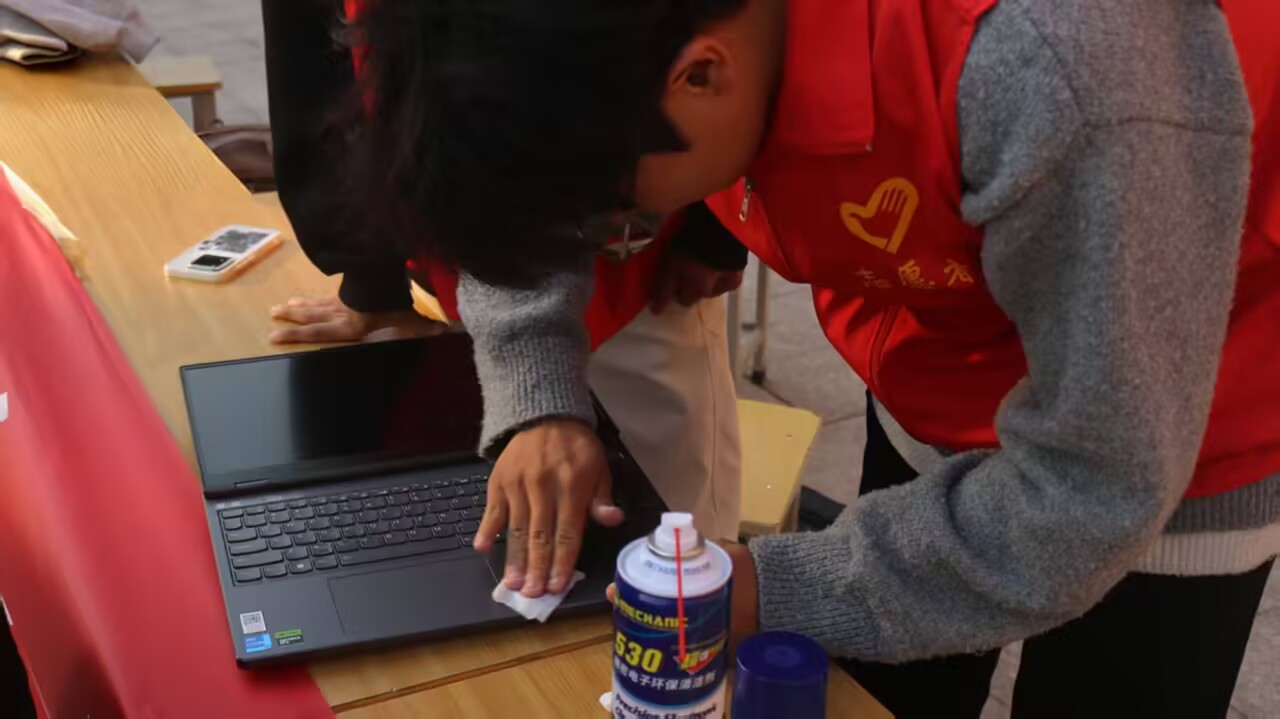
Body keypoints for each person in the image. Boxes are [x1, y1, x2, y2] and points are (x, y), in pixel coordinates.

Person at [346, 0, 1280, 717]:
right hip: (939, 347)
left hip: (1180, 421)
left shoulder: (1062, 61)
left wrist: (781, 586)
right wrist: (540, 390)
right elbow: (532, 148)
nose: (611, 237)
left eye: (615, 220)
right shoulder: (668, 52)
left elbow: (1096, 484)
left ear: (701, 72)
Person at [259, 0, 745, 599]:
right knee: (513, 550)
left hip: (636, 280)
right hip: (474, 240)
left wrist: (719, 228)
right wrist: (369, 273)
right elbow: (319, 51)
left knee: (674, 558)